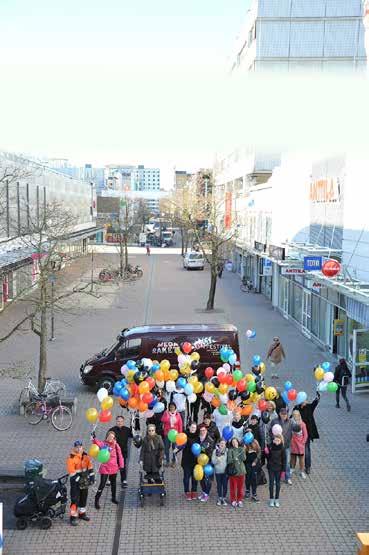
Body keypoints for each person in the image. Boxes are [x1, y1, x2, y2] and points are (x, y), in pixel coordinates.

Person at [66, 440, 94, 526]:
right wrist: (80, 480)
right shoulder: (71, 458)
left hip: (84, 480)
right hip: (75, 483)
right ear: (74, 448)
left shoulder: (86, 456)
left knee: (83, 498)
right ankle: (73, 517)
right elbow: (72, 473)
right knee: (75, 500)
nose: (78, 449)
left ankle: (82, 514)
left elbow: (90, 467)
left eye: (80, 447)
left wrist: (92, 477)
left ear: (82, 447)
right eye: (77, 447)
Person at [93, 431, 124, 510]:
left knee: (113, 484)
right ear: (107, 436)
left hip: (113, 467)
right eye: (109, 437)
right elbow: (97, 443)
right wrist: (94, 438)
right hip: (105, 467)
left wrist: (121, 465)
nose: (111, 438)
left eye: (112, 437)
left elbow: (120, 455)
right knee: (102, 484)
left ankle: (113, 498)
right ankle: (96, 500)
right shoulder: (103, 444)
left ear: (114, 438)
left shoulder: (116, 445)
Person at [294, 391, 320, 475]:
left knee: (307, 449)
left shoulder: (309, 407)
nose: (306, 401)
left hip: (307, 433)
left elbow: (315, 403)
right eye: (304, 400)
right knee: (295, 450)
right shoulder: (296, 409)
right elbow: (292, 417)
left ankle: (307, 466)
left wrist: (318, 396)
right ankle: (293, 466)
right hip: (298, 433)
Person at [270, 408, 293, 485]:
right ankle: (276, 478)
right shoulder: (274, 421)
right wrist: (273, 439)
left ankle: (288, 477)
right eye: (282, 414)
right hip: (276, 446)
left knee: (287, 462)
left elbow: (295, 428)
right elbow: (270, 432)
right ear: (279, 414)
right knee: (276, 463)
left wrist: (298, 428)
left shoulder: (290, 422)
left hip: (286, 446)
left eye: (285, 414)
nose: (284, 415)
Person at [108, 415, 132, 487]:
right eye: (118, 421)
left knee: (123, 466)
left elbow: (132, 436)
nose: (120, 423)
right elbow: (107, 440)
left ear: (123, 422)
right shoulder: (111, 430)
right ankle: (110, 480)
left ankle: (123, 480)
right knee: (112, 465)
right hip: (113, 452)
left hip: (123, 451)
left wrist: (134, 428)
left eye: (121, 421)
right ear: (116, 422)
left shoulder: (127, 430)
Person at [265, 434, 286, 508]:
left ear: (281, 440)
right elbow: (267, 458)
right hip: (271, 468)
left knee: (277, 484)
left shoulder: (282, 448)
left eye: (278, 440)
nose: (276, 442)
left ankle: (276, 499)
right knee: (271, 484)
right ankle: (271, 499)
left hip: (279, 468)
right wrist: (266, 453)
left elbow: (284, 460)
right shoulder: (270, 446)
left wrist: (283, 471)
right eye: (275, 440)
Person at [181, 421, 199, 500]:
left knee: (195, 477)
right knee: (186, 477)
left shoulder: (198, 437)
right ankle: (187, 492)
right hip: (186, 460)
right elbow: (180, 445)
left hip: (195, 461)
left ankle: (194, 491)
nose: (193, 429)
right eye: (192, 427)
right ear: (189, 427)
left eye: (194, 428)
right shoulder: (184, 435)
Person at [161, 402, 183, 467]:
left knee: (174, 448)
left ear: (175, 407)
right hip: (167, 434)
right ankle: (167, 461)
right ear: (169, 408)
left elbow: (180, 424)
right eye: (170, 407)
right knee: (166, 448)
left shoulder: (178, 414)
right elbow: (162, 420)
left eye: (173, 407)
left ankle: (173, 461)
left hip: (175, 435)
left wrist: (180, 434)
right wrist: (167, 415)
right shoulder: (166, 413)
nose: (172, 408)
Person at [227, 437, 246, 508]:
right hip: (233, 472)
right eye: (233, 442)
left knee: (240, 487)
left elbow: (244, 458)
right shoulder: (230, 450)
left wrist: (243, 451)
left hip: (241, 471)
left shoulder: (241, 449)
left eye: (236, 442)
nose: (234, 443)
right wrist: (234, 459)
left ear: (238, 442)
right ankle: (233, 500)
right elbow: (229, 460)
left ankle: (239, 500)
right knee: (233, 487)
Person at [198, 423, 215, 502]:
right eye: (201, 430)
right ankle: (204, 492)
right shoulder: (198, 438)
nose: (202, 432)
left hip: (208, 462)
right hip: (200, 461)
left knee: (208, 479)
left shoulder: (210, 440)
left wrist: (205, 451)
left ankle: (207, 494)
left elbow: (211, 452)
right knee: (201, 478)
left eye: (204, 430)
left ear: (206, 430)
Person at [290, 410, 308, 479]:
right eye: (294, 415)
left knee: (301, 459)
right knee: (293, 457)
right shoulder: (291, 423)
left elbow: (305, 434)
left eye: (297, 415)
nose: (295, 416)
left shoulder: (302, 424)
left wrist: (303, 442)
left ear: (299, 415)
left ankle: (302, 471)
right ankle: (292, 468)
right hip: (293, 443)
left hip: (300, 444)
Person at [211, 439, 228, 506]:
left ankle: (223, 498)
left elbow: (229, 460)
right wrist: (217, 460)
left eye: (223, 443)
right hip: (218, 471)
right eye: (221, 443)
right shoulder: (215, 451)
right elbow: (213, 461)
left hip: (225, 471)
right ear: (219, 444)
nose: (222, 445)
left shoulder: (227, 451)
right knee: (219, 485)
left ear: (225, 445)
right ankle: (219, 497)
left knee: (225, 485)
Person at [245, 437, 261, 502]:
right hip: (247, 464)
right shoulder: (245, 444)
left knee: (254, 479)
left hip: (255, 465)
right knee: (248, 478)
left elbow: (259, 453)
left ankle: (254, 494)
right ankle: (247, 491)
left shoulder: (255, 442)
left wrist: (255, 461)